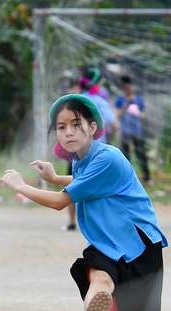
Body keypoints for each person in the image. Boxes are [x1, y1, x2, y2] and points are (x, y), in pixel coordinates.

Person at [0, 93, 167, 311]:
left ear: (93, 127)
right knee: (99, 278)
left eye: (76, 124)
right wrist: (53, 177)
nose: (68, 132)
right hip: (106, 245)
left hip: (138, 248)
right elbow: (82, 184)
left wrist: (23, 186)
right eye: (61, 127)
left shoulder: (109, 157)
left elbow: (62, 203)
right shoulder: (83, 160)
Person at [63, 68, 118, 232]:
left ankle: (72, 221)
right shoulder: (99, 102)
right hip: (96, 153)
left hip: (74, 151)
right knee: (101, 186)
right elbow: (111, 120)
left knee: (72, 183)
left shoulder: (75, 101)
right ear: (97, 84)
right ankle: (101, 223)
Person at [115, 75, 152, 185]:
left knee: (141, 155)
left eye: (128, 87)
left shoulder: (138, 99)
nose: (127, 90)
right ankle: (127, 179)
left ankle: (147, 178)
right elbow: (117, 115)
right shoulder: (120, 99)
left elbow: (144, 115)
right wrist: (126, 104)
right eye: (125, 88)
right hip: (125, 132)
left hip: (137, 132)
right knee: (125, 157)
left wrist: (139, 113)